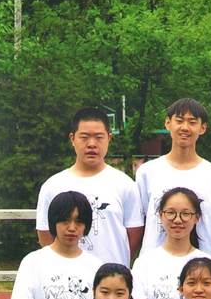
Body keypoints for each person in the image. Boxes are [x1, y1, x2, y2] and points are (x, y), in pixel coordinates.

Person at [35, 107, 142, 266]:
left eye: (99, 137)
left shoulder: (125, 185)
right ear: (72, 139)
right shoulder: (53, 186)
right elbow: (45, 234)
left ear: (109, 138)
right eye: (84, 137)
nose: (91, 144)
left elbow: (134, 235)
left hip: (112, 277)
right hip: (68, 275)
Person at [136, 98, 211, 257]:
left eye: (192, 122)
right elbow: (140, 222)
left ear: (203, 128)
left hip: (201, 265)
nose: (185, 127)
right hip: (155, 263)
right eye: (179, 120)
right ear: (167, 123)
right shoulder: (147, 172)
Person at [133, 187, 211, 299]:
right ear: (160, 215)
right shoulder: (144, 263)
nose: (177, 220)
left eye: (185, 214)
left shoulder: (207, 262)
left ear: (197, 218)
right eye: (170, 213)